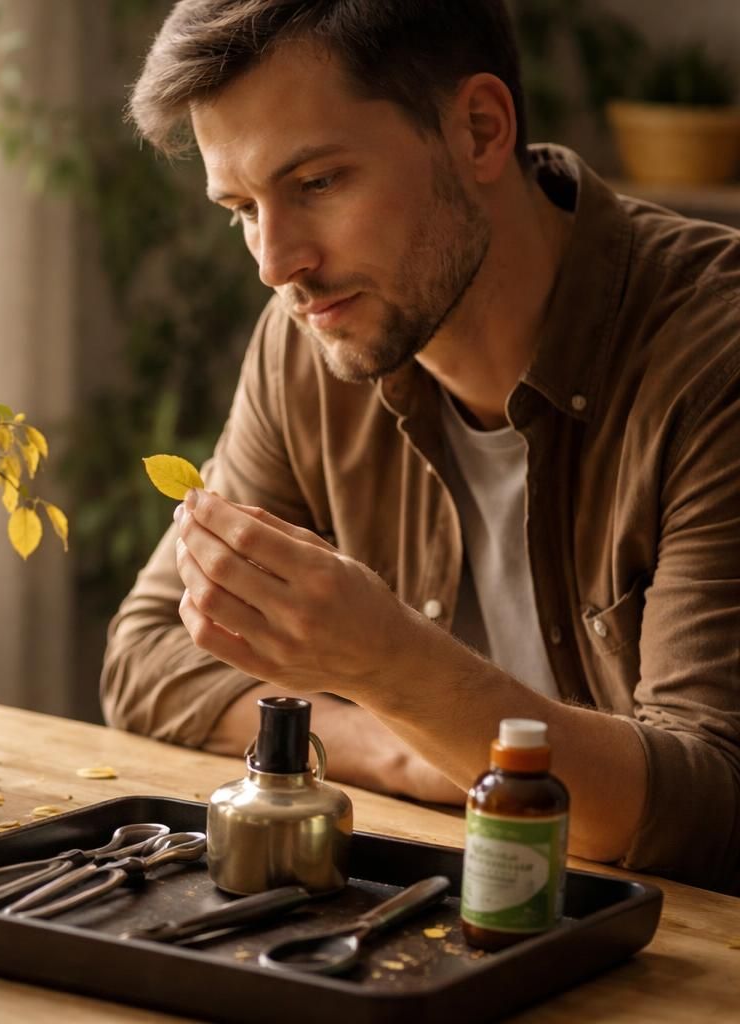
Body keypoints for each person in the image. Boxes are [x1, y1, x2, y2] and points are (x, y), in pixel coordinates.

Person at [101, 0, 740, 894]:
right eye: (241, 207)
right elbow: (149, 658)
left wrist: (386, 664)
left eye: (317, 182)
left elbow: (710, 801)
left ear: (480, 130)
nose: (274, 262)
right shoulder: (310, 343)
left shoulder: (716, 358)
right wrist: (410, 748)